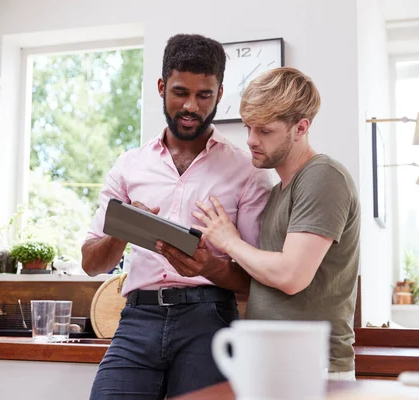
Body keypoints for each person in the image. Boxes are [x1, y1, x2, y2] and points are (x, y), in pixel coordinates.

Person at [82, 34, 272, 399]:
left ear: (219, 94)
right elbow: (91, 263)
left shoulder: (246, 170)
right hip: (138, 318)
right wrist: (122, 230)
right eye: (180, 92)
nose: (191, 106)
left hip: (210, 321)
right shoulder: (129, 165)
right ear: (161, 87)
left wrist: (207, 267)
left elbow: (254, 282)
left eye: (204, 95)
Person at [158, 67, 360, 380]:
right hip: (272, 364)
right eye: (248, 128)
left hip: (311, 369)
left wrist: (229, 241)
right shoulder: (281, 189)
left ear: (300, 128)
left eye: (264, 131)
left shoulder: (322, 176)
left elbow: (291, 276)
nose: (251, 140)